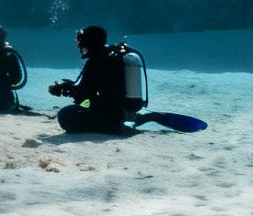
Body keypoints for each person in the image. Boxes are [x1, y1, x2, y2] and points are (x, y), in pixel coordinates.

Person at [48, 24, 180, 135]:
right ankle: (137, 117)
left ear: (91, 42)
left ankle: (128, 121)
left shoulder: (97, 61)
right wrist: (69, 88)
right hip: (117, 111)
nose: (80, 46)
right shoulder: (110, 56)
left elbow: (85, 93)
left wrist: (66, 89)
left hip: (107, 117)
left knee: (65, 115)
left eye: (82, 41)